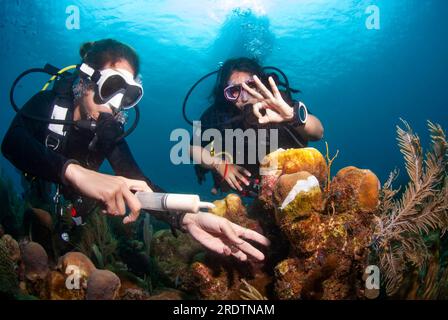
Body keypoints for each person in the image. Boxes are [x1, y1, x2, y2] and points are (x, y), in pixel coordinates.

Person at [2, 40, 269, 262]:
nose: (115, 106)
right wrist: (75, 173)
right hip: (39, 174)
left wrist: (186, 218)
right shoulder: (49, 104)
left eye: (127, 95)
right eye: (110, 88)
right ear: (84, 81)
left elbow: (139, 183)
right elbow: (12, 143)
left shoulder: (108, 133)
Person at [190, 57, 324, 195]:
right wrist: (219, 165)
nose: (244, 97)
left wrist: (292, 115)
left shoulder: (278, 103)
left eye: (251, 85)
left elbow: (318, 132)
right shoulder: (218, 114)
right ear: (226, 94)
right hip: (243, 180)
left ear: (261, 84)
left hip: (287, 181)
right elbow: (191, 148)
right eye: (234, 91)